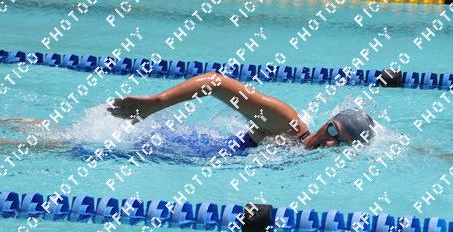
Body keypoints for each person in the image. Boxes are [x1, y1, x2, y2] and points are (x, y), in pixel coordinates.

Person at [106, 72, 376, 150]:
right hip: (154, 144)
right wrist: (156, 103)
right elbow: (215, 83)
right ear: (328, 121)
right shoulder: (285, 122)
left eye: (341, 144)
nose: (329, 142)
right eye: (333, 131)